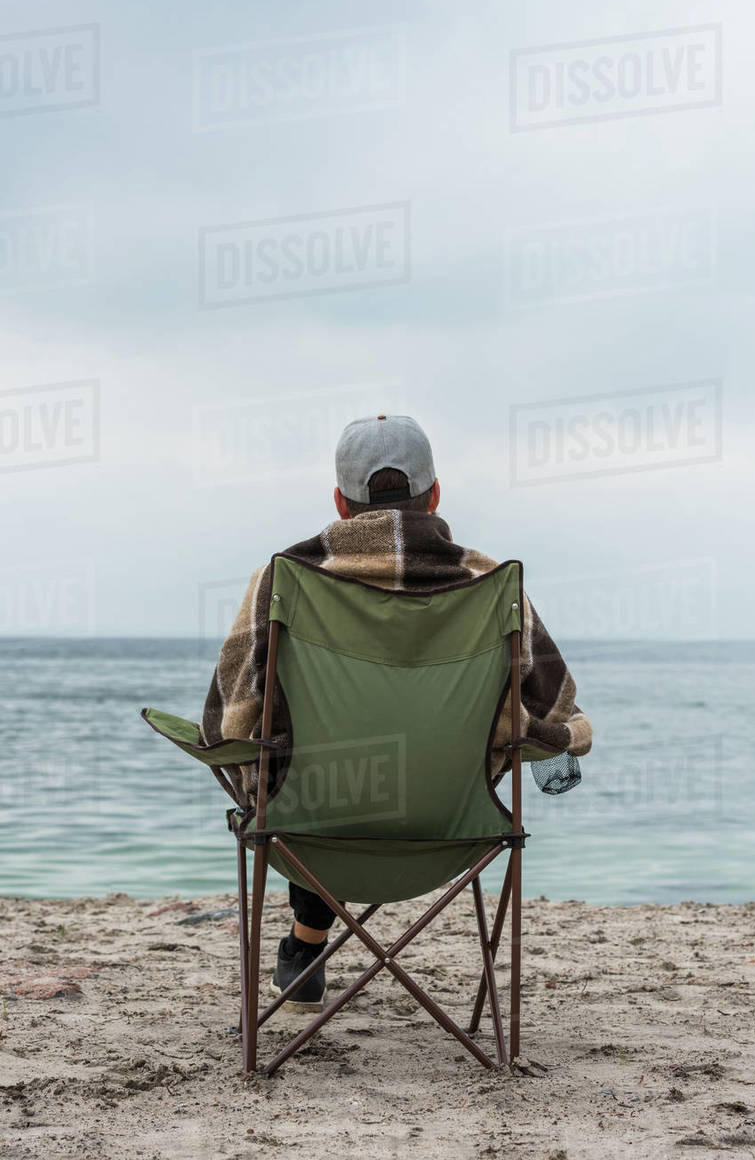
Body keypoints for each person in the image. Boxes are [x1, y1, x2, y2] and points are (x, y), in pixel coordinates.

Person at [200, 414, 592, 1010]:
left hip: (309, 833)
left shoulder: (284, 581)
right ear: (434, 493)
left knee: (290, 758)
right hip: (454, 831)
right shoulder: (492, 585)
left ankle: (306, 945)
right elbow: (558, 713)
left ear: (340, 501)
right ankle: (307, 947)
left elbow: (227, 725)